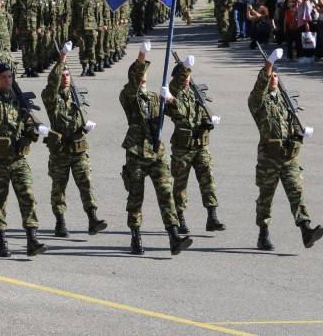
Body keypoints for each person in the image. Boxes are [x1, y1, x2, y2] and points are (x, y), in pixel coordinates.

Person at [119, 41, 192, 256]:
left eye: (144, 76)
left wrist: (170, 100)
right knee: (135, 198)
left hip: (157, 154)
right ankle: (135, 236)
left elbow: (180, 115)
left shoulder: (153, 98)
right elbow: (134, 79)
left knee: (166, 194)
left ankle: (173, 236)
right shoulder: (128, 96)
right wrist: (142, 54)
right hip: (136, 153)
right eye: (140, 76)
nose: (143, 78)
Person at [247, 48, 323, 251]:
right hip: (269, 158)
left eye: (275, 75)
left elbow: (293, 124)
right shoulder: (258, 103)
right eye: (270, 76)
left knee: (296, 193)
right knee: (266, 198)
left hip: (289, 156)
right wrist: (269, 65)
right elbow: (258, 88)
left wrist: (302, 132)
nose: (273, 78)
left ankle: (306, 230)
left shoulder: (286, 101)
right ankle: (263, 234)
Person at [0, 54, 49, 257]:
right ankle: (2, 242)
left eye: (10, 76)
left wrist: (36, 130)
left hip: (18, 159)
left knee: (28, 197)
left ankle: (32, 240)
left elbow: (27, 125)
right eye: (4, 77)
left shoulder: (19, 102)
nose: (8, 80)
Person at [40, 41, 106, 237]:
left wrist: (85, 126)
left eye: (68, 75)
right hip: (60, 150)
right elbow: (52, 82)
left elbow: (80, 117)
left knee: (86, 183)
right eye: (62, 75)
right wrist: (62, 58)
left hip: (78, 148)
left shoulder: (77, 95)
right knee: (59, 188)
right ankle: (60, 222)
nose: (65, 79)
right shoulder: (50, 97)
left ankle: (93, 218)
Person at [164, 56, 224, 235]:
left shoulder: (193, 92)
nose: (188, 78)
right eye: (184, 76)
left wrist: (208, 120)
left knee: (208, 179)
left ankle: (212, 216)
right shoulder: (173, 92)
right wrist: (185, 67)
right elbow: (180, 109)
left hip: (201, 145)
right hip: (183, 146)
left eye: (189, 76)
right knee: (180, 184)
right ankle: (180, 218)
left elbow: (199, 112)